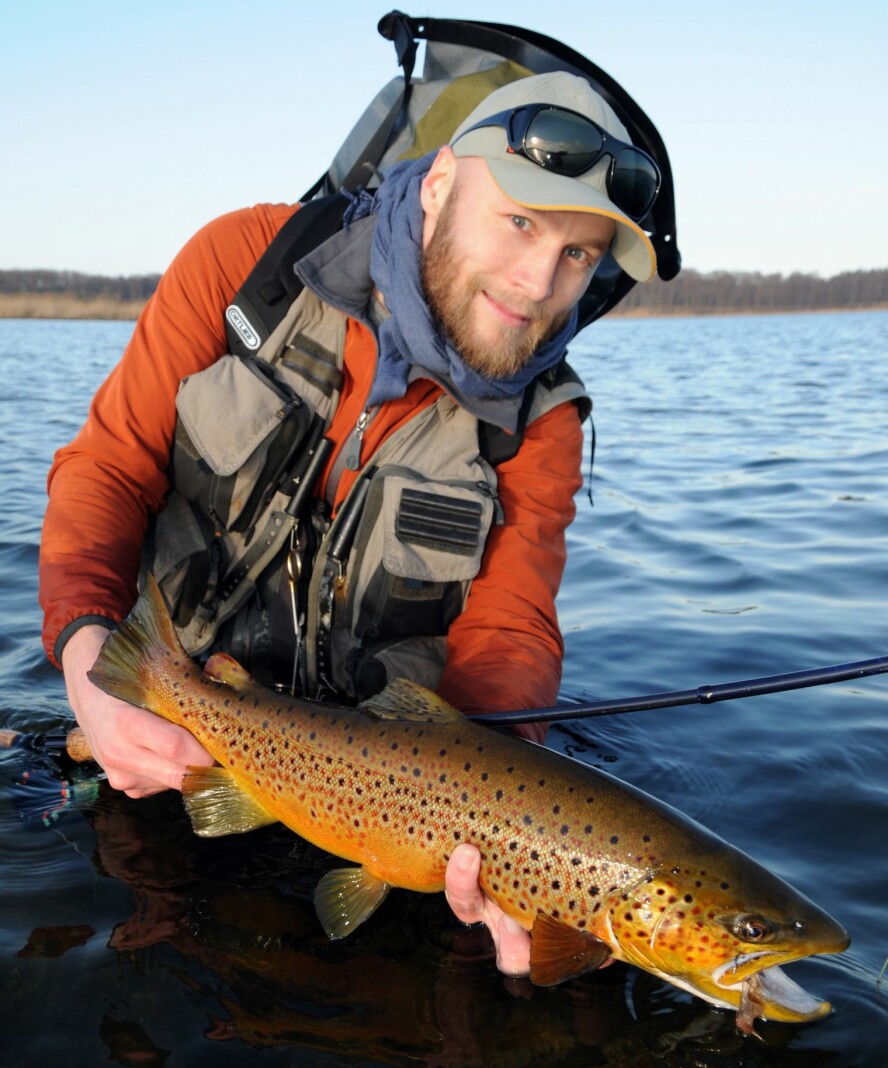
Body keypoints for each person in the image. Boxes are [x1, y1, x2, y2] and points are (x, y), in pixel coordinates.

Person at [39, 71, 659, 977]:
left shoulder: (544, 421)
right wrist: (87, 656)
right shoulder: (243, 263)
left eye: (579, 254)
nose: (538, 283)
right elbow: (107, 468)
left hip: (380, 790)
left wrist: (501, 823)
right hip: (159, 709)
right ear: (440, 185)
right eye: (521, 222)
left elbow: (509, 630)